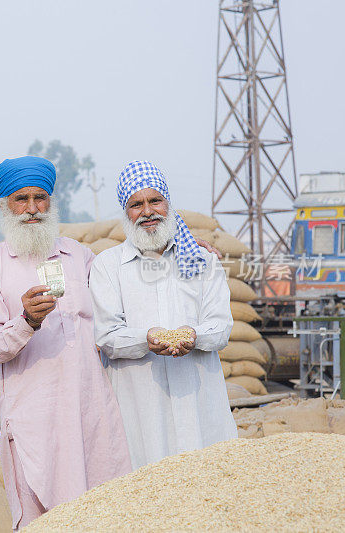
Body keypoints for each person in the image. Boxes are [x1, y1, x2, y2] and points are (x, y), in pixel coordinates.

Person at [0, 156, 132, 530]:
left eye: (41, 198)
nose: (32, 209)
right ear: (4, 204)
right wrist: (26, 321)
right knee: (43, 514)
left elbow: (124, 289)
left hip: (91, 408)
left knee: (103, 507)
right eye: (21, 199)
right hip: (34, 415)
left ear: (52, 202)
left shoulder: (79, 255)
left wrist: (178, 247)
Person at [89, 160, 238, 471]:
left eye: (155, 200)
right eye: (136, 204)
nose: (147, 211)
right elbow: (107, 334)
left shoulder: (201, 260)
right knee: (146, 487)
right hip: (140, 403)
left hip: (198, 398)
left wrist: (194, 336)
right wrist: (147, 339)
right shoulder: (108, 265)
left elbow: (221, 325)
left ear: (168, 203)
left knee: (208, 480)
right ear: (125, 212)